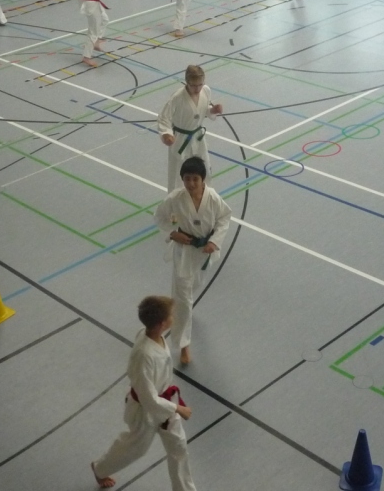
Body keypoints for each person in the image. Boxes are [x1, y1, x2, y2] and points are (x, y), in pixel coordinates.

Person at [91, 295, 196, 491]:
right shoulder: (144, 355)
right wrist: (177, 408)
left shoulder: (150, 334)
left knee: (179, 447)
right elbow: (149, 399)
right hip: (145, 411)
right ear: (161, 324)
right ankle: (100, 468)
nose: (173, 317)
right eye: (170, 316)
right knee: (136, 448)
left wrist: (172, 407)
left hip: (165, 400)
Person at [154, 157, 231, 366]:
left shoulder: (212, 198)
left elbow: (224, 217)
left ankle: (180, 307)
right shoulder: (176, 198)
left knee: (194, 287)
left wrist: (215, 241)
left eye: (195, 179)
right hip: (184, 252)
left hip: (204, 252)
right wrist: (173, 233)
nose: (191, 183)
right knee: (184, 300)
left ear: (203, 179)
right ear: (182, 179)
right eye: (187, 179)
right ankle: (184, 345)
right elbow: (159, 217)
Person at [157, 64, 223, 191]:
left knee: (205, 169)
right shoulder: (178, 97)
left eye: (200, 84)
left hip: (198, 138)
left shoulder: (206, 91)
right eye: (193, 85)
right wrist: (166, 134)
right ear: (187, 82)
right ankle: (176, 201)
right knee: (178, 174)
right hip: (180, 140)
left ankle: (205, 197)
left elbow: (202, 110)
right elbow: (164, 117)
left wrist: (213, 110)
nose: (197, 88)